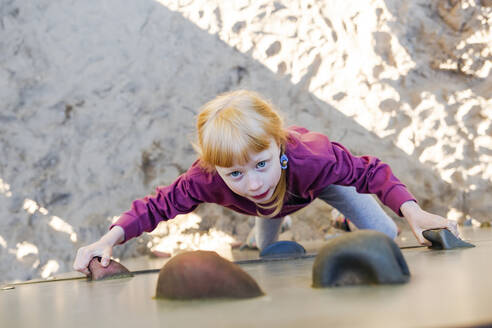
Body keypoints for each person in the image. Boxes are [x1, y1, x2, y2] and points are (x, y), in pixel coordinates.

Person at [73, 89, 459, 275]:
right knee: (270, 255)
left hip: (315, 184)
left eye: (261, 164)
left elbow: (371, 172)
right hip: (272, 207)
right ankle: (279, 222)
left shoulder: (315, 157)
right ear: (216, 170)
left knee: (385, 235)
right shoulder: (207, 179)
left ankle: (342, 220)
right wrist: (109, 239)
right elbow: (157, 205)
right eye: (235, 173)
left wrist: (414, 211)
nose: (252, 182)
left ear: (278, 144)